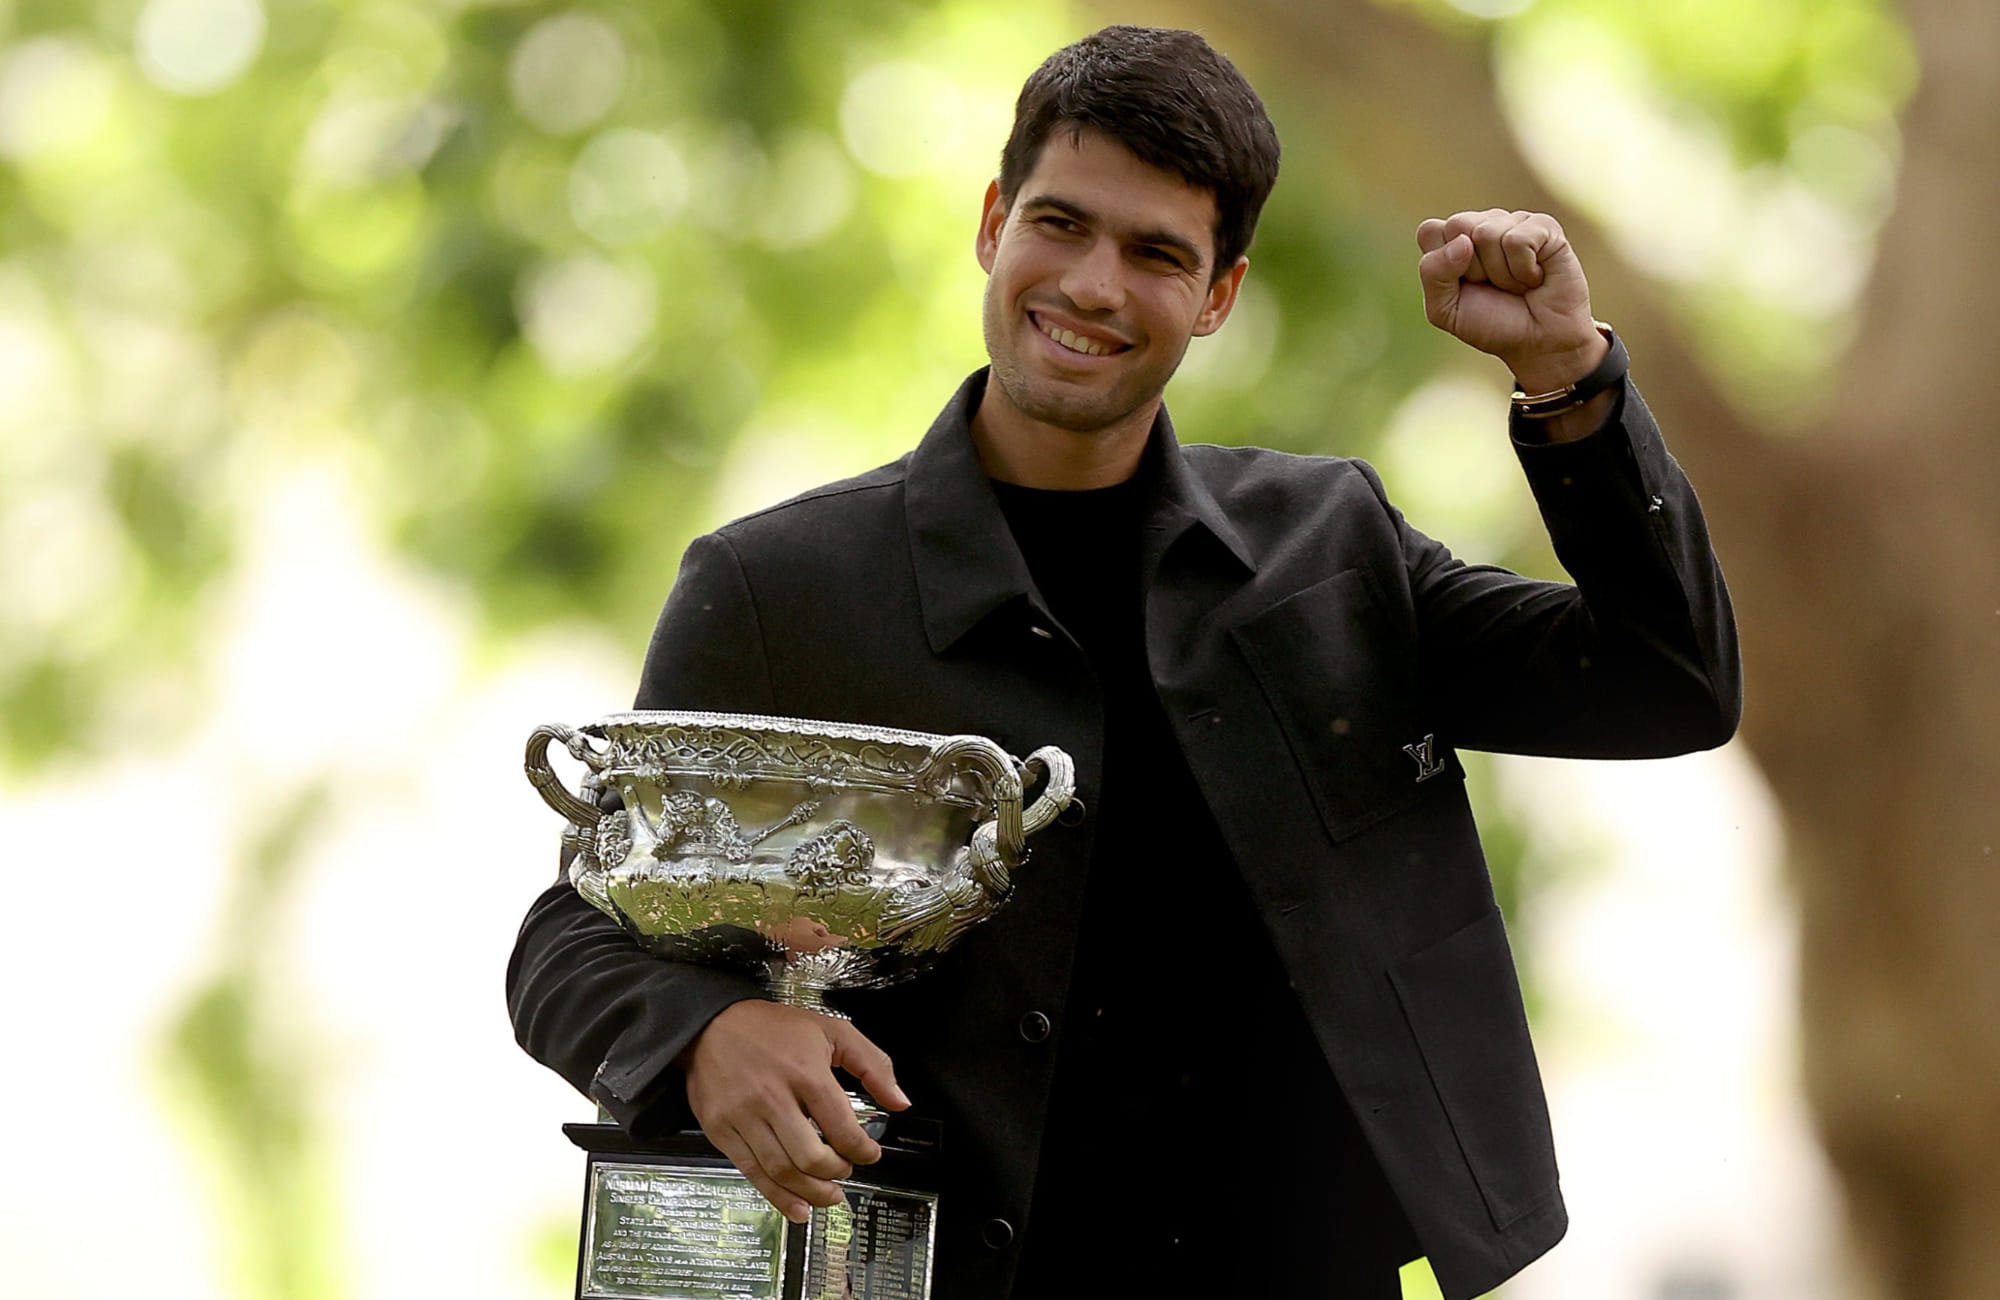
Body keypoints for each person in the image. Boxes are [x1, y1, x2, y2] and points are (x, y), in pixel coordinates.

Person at [507, 24, 1739, 1300]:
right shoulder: (779, 589)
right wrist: (708, 1028)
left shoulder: (1332, 550)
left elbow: (1665, 681)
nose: (1092, 285)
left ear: (1217, 294)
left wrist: (1569, 383)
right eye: (1060, 224)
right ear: (992, 222)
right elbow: (568, 938)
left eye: (1155, 252)